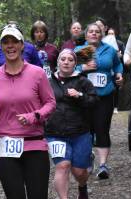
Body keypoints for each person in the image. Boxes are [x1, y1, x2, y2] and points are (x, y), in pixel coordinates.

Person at [0, 24, 56, 199]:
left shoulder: (37, 73)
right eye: (6, 42)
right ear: (1, 47)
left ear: (22, 46)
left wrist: (35, 116)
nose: (10, 46)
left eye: (14, 41)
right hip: (6, 147)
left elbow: (50, 103)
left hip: (34, 144)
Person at [44, 49, 98, 199]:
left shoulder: (83, 81)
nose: (66, 62)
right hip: (55, 133)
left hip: (80, 133)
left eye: (70, 60)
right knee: (62, 166)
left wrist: (79, 95)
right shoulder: (47, 82)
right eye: (63, 59)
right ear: (58, 62)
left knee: (79, 172)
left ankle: (82, 186)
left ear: (75, 63)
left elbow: (94, 102)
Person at [74, 23, 123, 179]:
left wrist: (119, 75)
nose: (94, 34)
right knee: (86, 130)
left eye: (97, 32)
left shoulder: (109, 49)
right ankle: (88, 158)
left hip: (105, 95)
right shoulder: (80, 50)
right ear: (86, 34)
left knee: (102, 128)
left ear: (101, 34)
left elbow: (117, 65)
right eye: (91, 32)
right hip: (84, 96)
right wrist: (83, 69)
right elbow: (68, 69)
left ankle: (103, 165)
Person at [107, 27, 126, 114]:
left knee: (116, 88)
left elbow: (125, 56)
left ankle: (115, 107)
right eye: (109, 34)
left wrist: (121, 57)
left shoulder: (120, 44)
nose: (111, 35)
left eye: (112, 34)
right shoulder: (103, 44)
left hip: (116, 69)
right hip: (107, 70)